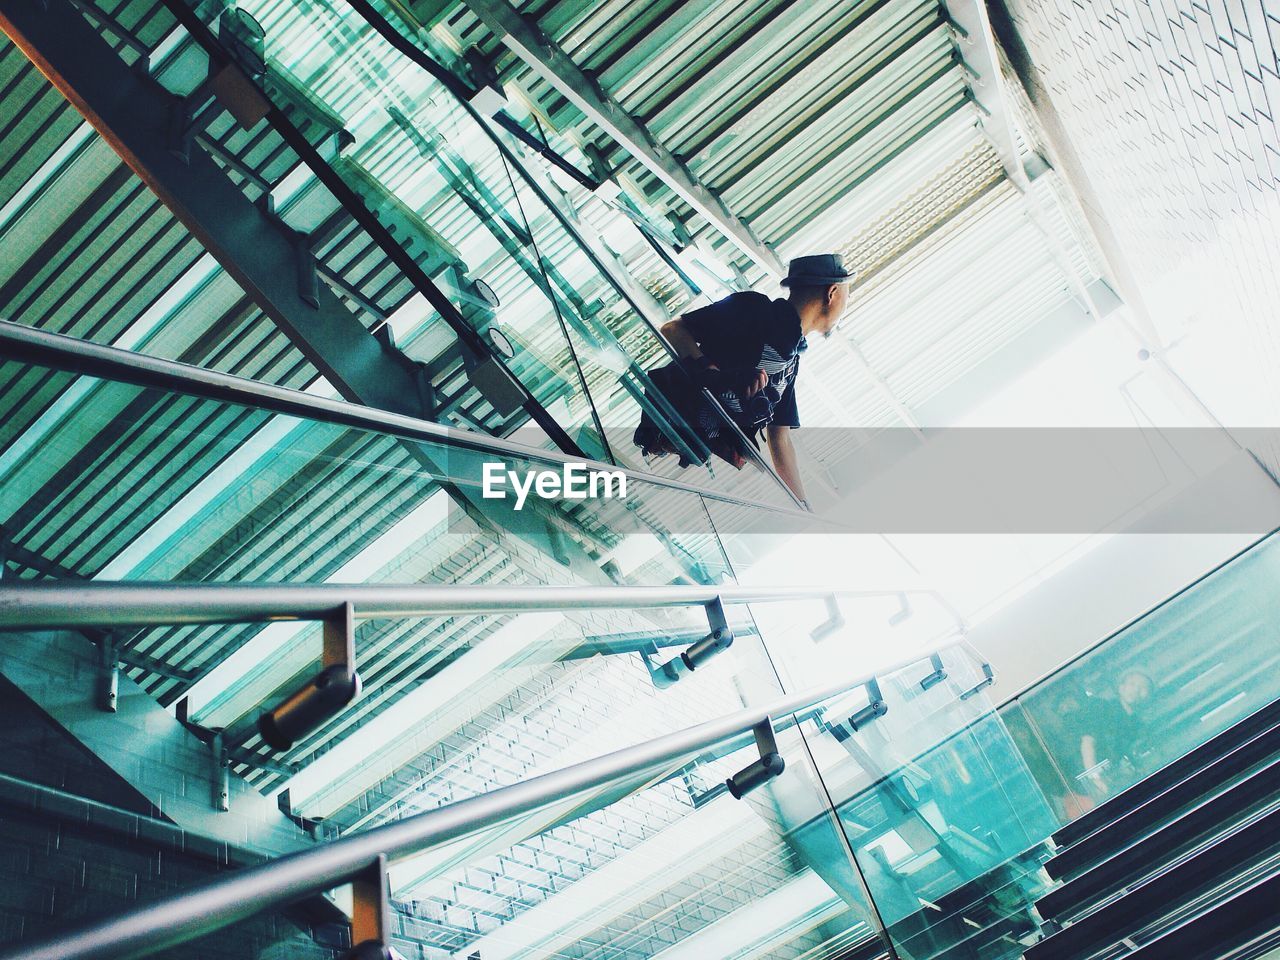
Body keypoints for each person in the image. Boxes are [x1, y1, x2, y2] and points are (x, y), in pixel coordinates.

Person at [637, 254, 853, 505]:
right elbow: (672, 330)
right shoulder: (754, 308)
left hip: (689, 446)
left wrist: (803, 506)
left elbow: (779, 440)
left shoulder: (790, 364)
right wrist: (712, 374)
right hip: (670, 424)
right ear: (833, 292)